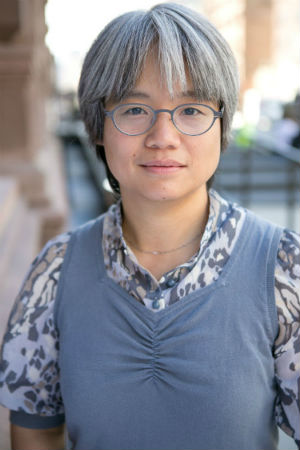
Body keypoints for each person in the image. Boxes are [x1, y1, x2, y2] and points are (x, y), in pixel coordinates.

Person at [0, 3, 299, 450]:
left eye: (192, 109)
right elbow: (34, 436)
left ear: (222, 125)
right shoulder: (55, 272)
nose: (163, 135)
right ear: (99, 125)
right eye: (135, 109)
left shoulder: (283, 269)